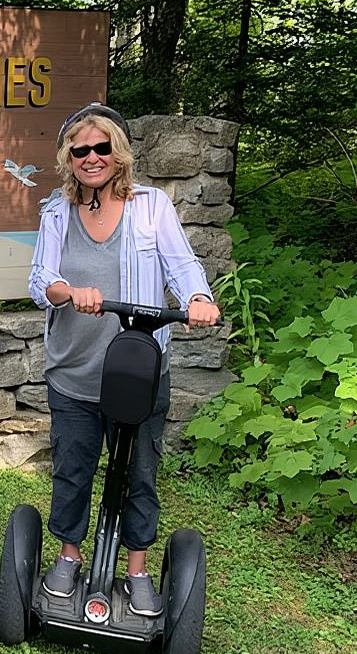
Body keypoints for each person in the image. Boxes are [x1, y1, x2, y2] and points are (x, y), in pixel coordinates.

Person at [28, 102, 220, 616]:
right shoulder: (55, 210)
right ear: (69, 157)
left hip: (137, 371)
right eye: (80, 150)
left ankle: (135, 570)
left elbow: (181, 263)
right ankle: (69, 557)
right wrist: (65, 291)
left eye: (101, 147)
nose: (91, 157)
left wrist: (197, 299)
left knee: (139, 474)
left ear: (118, 151)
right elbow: (39, 279)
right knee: (72, 471)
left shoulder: (150, 205)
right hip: (74, 369)